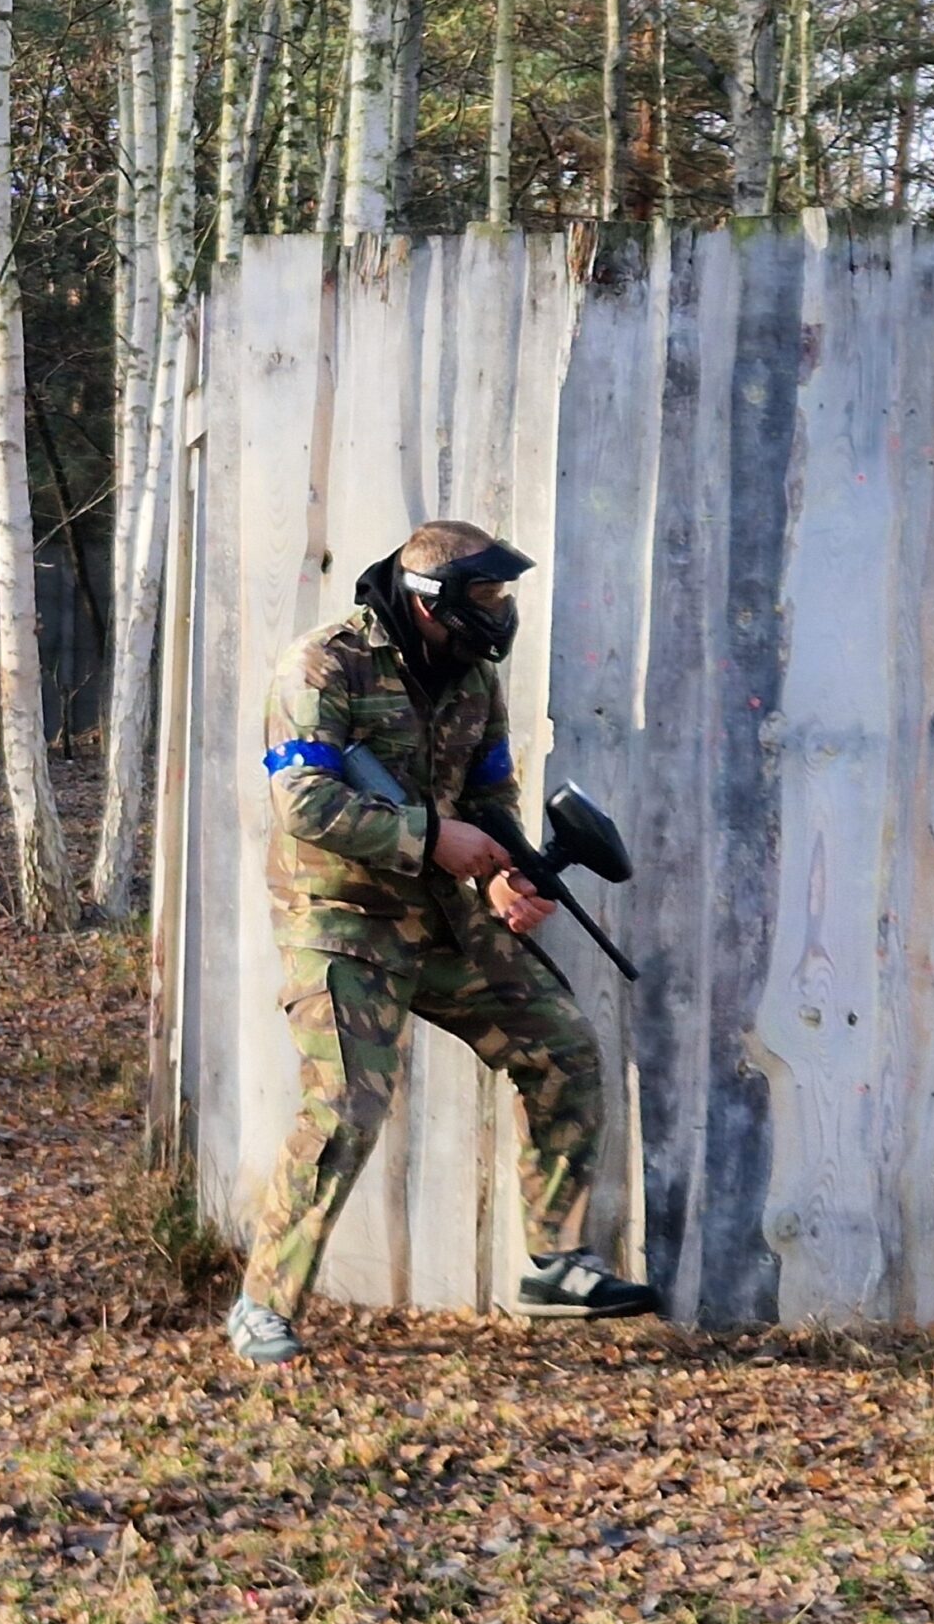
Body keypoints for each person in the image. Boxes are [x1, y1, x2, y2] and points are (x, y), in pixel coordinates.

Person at [227, 519, 660, 1367]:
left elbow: (490, 799)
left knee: (562, 1048)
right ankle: (262, 1306)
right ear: (432, 599)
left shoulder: (473, 678)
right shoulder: (324, 664)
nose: (499, 610)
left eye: (502, 594)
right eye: (487, 594)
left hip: (442, 920)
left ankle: (555, 1263)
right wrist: (432, 840)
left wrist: (505, 876)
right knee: (347, 1103)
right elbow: (303, 802)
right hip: (341, 922)